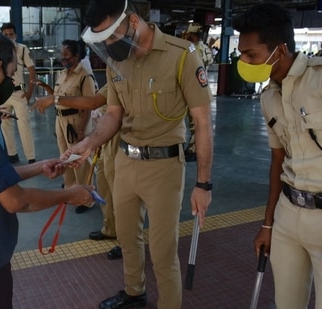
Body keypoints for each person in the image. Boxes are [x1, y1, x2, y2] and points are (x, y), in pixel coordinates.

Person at [66, 0, 214, 307]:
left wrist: (203, 184)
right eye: (102, 39)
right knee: (128, 238)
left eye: (111, 35)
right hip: (124, 162)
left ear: (133, 20)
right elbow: (113, 115)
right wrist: (88, 143)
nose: (108, 44)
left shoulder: (181, 56)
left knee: (162, 251)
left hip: (164, 167)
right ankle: (135, 293)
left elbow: (202, 124)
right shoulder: (116, 60)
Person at [0, 28, 94, 308]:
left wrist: (38, 167)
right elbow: (15, 200)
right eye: (12, 73)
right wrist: (69, 195)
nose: (13, 80)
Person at [234, 3, 322, 309]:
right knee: (287, 303)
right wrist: (268, 223)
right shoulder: (269, 96)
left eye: (251, 54)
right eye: (242, 53)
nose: (243, 61)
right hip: (287, 215)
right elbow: (278, 163)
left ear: (279, 50)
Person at [32, 84, 122, 259]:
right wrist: (92, 143)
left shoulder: (89, 72)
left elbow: (92, 102)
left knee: (120, 195)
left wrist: (54, 99)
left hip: (122, 143)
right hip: (105, 141)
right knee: (104, 186)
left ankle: (126, 242)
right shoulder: (114, 73)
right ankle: (110, 228)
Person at [35, 39, 96, 214]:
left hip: (76, 121)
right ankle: (71, 191)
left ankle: (87, 197)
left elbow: (89, 105)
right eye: (62, 55)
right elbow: (57, 96)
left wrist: (82, 131)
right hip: (61, 121)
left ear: (76, 57)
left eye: (66, 55)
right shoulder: (63, 73)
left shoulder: (85, 76)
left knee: (79, 160)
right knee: (65, 158)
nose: (63, 58)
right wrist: (45, 87)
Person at [0, 23, 37, 164]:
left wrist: (29, 93)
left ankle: (31, 157)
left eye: (11, 34)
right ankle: (12, 154)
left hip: (18, 93)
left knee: (24, 124)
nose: (8, 37)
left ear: (15, 35)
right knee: (5, 125)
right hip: (3, 93)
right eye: (5, 35)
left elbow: (32, 71)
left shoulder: (21, 50)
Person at [182, 23, 214, 162]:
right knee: (199, 121)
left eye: (189, 34)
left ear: (194, 35)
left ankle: (194, 149)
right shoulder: (206, 48)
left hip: (192, 89)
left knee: (194, 122)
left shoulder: (192, 49)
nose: (187, 36)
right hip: (203, 88)